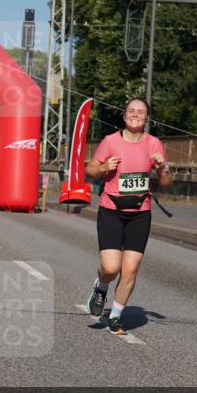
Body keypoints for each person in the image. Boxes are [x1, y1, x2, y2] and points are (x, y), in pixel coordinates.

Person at [83, 98, 170, 334]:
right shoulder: (110, 141)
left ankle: (115, 316)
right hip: (111, 210)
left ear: (146, 118)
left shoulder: (154, 144)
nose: (135, 115)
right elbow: (89, 169)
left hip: (140, 213)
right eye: (131, 111)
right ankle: (101, 286)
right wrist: (103, 168)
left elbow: (166, 183)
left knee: (130, 269)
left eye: (140, 112)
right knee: (111, 268)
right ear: (124, 116)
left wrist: (162, 168)